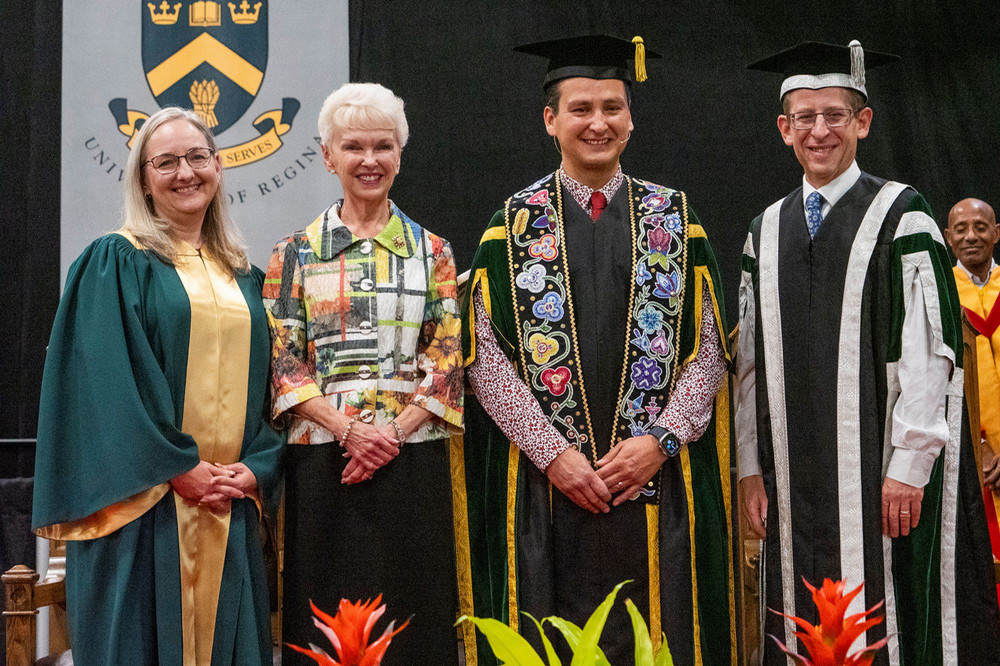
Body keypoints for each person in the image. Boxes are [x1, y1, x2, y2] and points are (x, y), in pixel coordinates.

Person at [462, 35, 734, 664]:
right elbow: (484, 359)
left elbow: (711, 350)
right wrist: (552, 452)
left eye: (612, 107)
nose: (598, 123)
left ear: (631, 119)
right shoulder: (511, 225)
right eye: (581, 108)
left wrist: (661, 439)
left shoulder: (676, 218)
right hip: (545, 493)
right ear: (551, 120)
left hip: (657, 486)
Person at [737, 41, 1000, 664]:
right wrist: (750, 463)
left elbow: (931, 355)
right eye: (804, 117)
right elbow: (749, 364)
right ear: (784, 129)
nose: (819, 131)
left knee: (888, 614)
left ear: (863, 121)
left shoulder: (902, 215)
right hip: (791, 473)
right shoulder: (763, 229)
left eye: (834, 115)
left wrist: (909, 466)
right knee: (795, 611)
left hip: (879, 476)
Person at [31, 107, 284, 665]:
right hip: (142, 513)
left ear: (219, 166)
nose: (185, 172)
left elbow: (273, 390)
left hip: (225, 505)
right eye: (165, 162)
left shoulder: (244, 276)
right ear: (143, 178)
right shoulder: (115, 261)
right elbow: (103, 388)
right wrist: (178, 467)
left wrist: (255, 467)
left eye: (197, 157)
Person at [263, 82, 464, 664]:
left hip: (413, 460)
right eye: (354, 147)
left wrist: (390, 436)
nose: (369, 160)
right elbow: (283, 361)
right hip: (324, 459)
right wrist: (351, 432)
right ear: (328, 156)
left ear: (401, 154)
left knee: (413, 619)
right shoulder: (293, 253)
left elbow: (448, 357)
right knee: (324, 617)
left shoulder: (436, 252)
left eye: (383, 146)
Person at [945, 197, 1000, 607]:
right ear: (947, 238)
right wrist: (975, 445)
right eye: (960, 229)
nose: (970, 236)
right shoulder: (940, 295)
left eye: (980, 227)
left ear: (996, 233)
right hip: (970, 459)